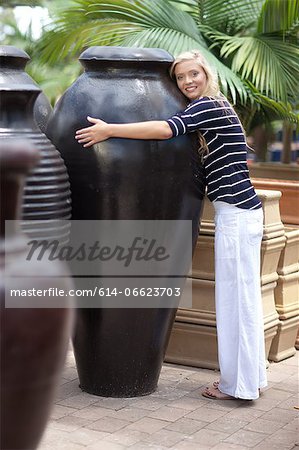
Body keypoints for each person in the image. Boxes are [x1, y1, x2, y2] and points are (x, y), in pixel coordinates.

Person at [75, 49, 267, 401]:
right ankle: (249, 380)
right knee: (243, 300)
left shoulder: (209, 106)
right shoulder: (220, 107)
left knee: (235, 303)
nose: (188, 81)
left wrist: (109, 130)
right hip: (241, 212)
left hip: (237, 215)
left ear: (206, 74)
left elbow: (166, 129)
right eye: (180, 77)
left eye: (193, 74)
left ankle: (236, 386)